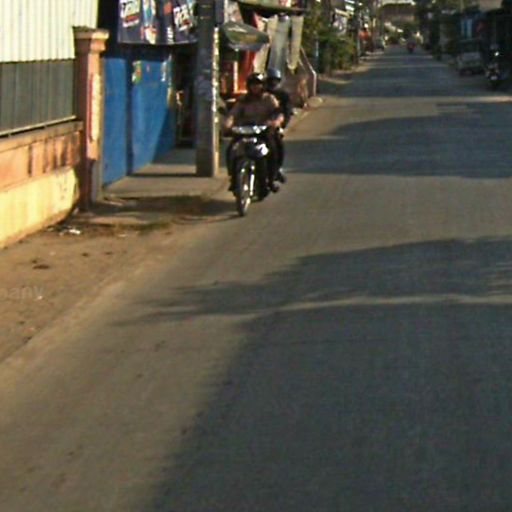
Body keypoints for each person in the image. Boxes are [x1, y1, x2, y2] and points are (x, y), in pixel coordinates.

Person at [224, 72, 284, 193]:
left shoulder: (269, 99)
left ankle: (271, 178)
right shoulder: (243, 100)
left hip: (263, 132)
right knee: (231, 150)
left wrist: (275, 122)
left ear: (263, 85)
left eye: (258, 84)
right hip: (245, 131)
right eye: (252, 84)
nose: (255, 87)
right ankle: (234, 179)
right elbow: (233, 114)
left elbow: (278, 114)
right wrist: (228, 124)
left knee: (274, 149)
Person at [265, 68, 291, 183]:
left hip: (274, 125)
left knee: (278, 146)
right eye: (270, 80)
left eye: (274, 80)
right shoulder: (261, 94)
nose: (272, 82)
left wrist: (281, 124)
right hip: (259, 124)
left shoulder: (283, 94)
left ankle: (276, 169)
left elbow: (286, 111)